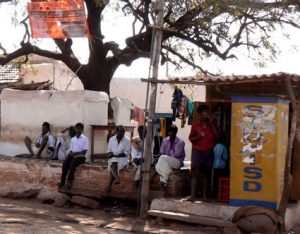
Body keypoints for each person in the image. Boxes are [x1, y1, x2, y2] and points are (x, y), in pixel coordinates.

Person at [187, 104, 220, 201]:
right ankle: (192, 195)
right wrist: (198, 137)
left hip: (209, 151)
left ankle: (205, 196)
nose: (207, 114)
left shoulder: (213, 123)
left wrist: (212, 123)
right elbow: (191, 138)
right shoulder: (195, 125)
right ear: (200, 114)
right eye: (205, 112)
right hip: (198, 151)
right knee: (194, 173)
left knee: (206, 174)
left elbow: (217, 136)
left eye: (208, 112)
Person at [57, 123, 88, 189]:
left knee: (73, 163)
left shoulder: (85, 139)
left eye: (79, 128)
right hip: (73, 156)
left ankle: (69, 181)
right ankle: (62, 181)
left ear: (82, 130)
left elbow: (84, 152)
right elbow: (71, 150)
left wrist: (74, 154)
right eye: (77, 128)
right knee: (65, 163)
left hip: (81, 156)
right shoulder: (73, 139)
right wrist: (69, 154)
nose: (77, 130)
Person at [155, 125, 185, 191]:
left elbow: (177, 154)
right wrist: (165, 156)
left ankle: (164, 179)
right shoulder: (165, 140)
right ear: (168, 132)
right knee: (159, 164)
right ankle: (163, 182)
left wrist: (166, 156)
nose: (171, 134)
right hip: (166, 160)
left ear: (176, 133)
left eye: (173, 132)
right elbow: (162, 152)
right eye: (170, 132)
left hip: (177, 162)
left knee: (160, 162)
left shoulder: (180, 142)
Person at [106, 125, 131, 192]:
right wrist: (110, 154)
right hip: (113, 158)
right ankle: (116, 179)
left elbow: (126, 152)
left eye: (123, 132)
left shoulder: (127, 140)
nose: (122, 133)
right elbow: (109, 150)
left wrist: (117, 155)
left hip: (123, 159)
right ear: (116, 132)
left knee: (113, 162)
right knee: (113, 161)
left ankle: (111, 184)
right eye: (121, 131)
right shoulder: (112, 139)